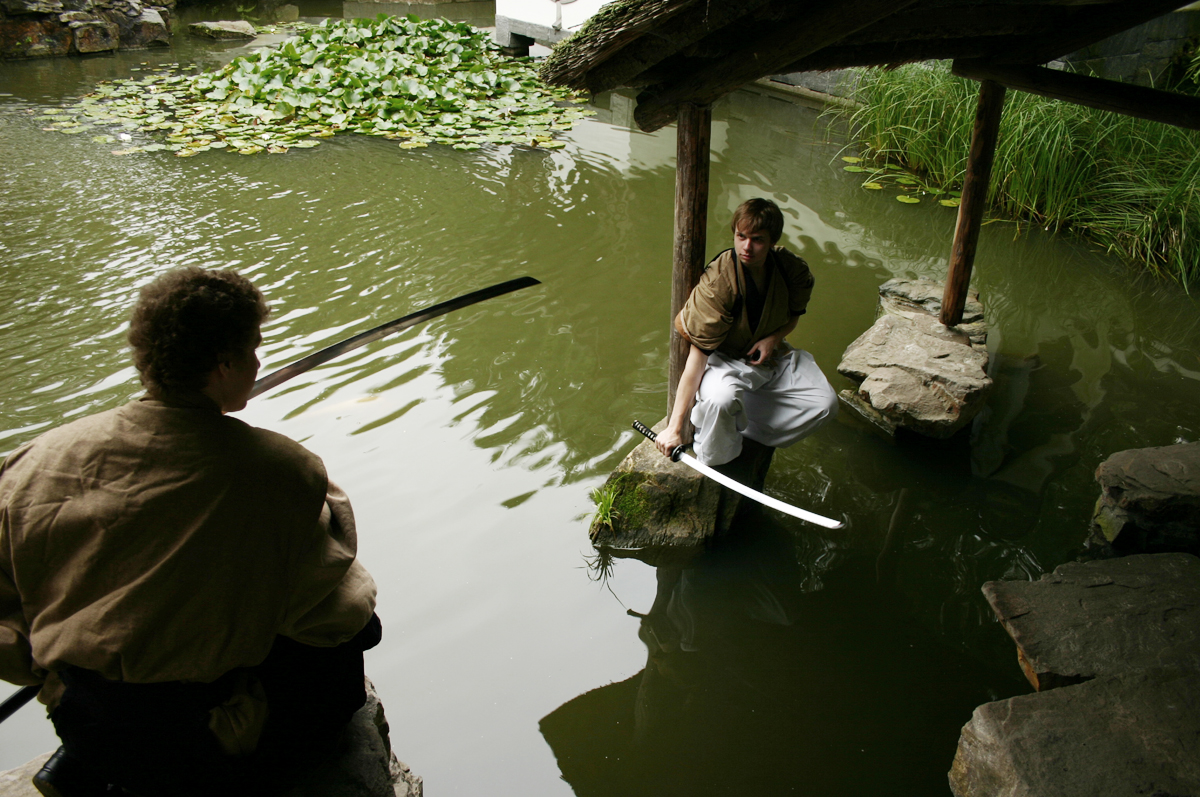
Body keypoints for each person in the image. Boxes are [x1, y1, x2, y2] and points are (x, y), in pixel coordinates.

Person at [0, 267, 380, 797]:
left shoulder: (31, 463)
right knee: (358, 628)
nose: (259, 362)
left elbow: (9, 632)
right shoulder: (280, 469)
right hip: (211, 742)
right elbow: (336, 608)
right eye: (254, 349)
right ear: (224, 365)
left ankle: (87, 756)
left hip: (94, 730)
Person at [656, 198, 837, 466]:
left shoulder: (790, 270)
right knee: (720, 400)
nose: (747, 247)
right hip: (723, 360)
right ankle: (718, 454)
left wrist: (773, 339)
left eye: (758, 239)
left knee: (824, 404)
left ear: (772, 240)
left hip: (767, 355)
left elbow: (793, 316)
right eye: (741, 236)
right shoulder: (719, 282)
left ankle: (742, 424)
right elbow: (697, 358)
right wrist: (674, 426)